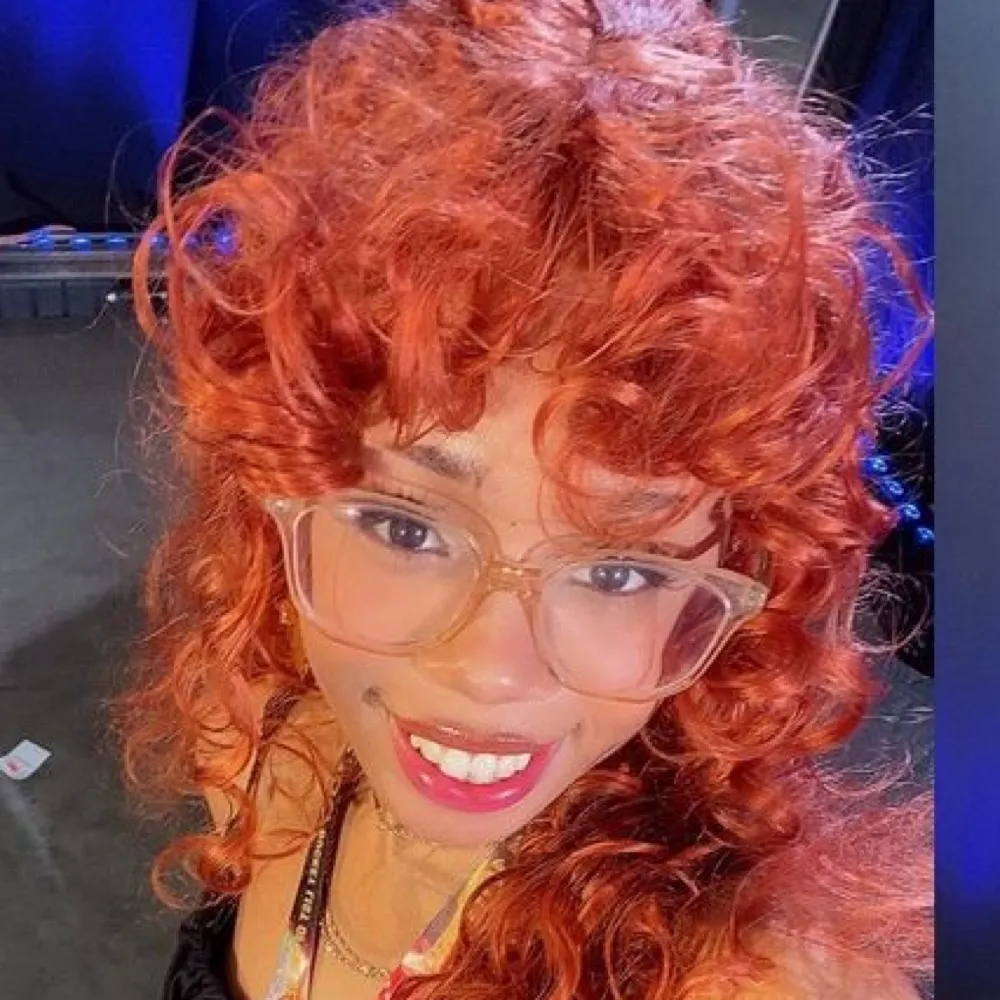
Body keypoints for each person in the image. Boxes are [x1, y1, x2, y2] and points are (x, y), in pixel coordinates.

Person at [116, 0, 933, 997]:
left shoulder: (748, 980)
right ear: (285, 485)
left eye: (620, 569)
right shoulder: (255, 733)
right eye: (405, 525)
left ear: (735, 582)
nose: (492, 673)